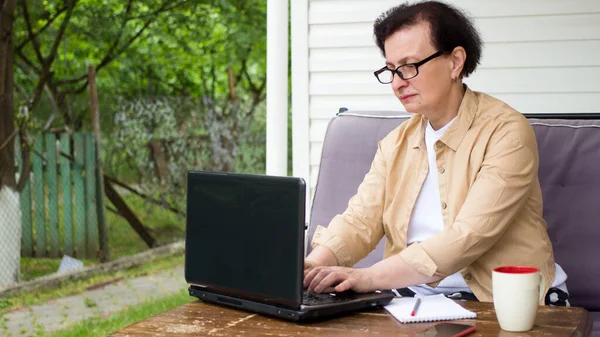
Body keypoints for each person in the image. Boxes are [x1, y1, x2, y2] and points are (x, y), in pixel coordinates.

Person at [303, 0, 569, 306]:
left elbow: (469, 235)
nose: (398, 83)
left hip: (504, 296)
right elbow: (360, 220)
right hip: (417, 293)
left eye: (409, 66)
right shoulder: (395, 144)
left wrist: (368, 277)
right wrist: (312, 266)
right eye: (391, 70)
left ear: (455, 61)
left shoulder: (506, 131)